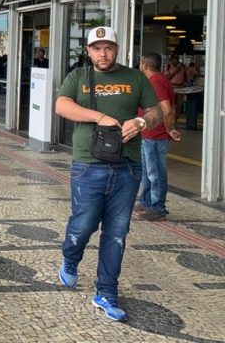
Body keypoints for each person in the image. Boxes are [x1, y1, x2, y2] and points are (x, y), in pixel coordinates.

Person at [55, 26, 161, 322]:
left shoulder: (135, 77)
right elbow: (62, 105)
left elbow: (158, 111)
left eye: (108, 47)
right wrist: (99, 116)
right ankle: (70, 259)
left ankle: (106, 292)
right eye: (97, 48)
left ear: (117, 48)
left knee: (116, 234)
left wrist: (140, 121)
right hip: (88, 165)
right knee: (83, 226)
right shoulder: (78, 77)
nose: (103, 53)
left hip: (127, 167)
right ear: (88, 51)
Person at [137, 52, 181, 221]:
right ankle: (147, 202)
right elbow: (173, 108)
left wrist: (169, 129)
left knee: (155, 173)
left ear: (144, 65)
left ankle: (157, 208)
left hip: (155, 135)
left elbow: (167, 109)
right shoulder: (161, 80)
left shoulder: (155, 82)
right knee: (148, 171)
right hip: (148, 133)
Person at [164, 53, 186, 122]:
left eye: (177, 59)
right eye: (174, 60)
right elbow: (167, 77)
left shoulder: (182, 66)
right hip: (172, 86)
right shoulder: (168, 66)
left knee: (179, 104)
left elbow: (185, 75)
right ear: (171, 60)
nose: (176, 61)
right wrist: (175, 71)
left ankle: (176, 117)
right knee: (172, 103)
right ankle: (172, 118)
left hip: (181, 86)